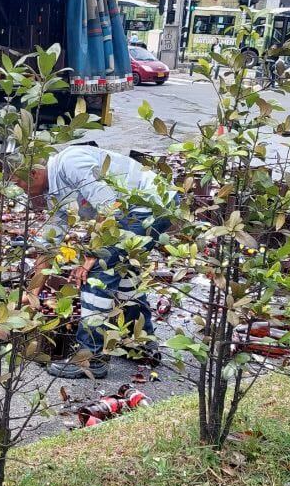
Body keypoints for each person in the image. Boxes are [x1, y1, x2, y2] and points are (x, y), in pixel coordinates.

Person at [22, 144, 175, 379]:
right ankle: (140, 343)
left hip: (149, 205)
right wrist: (32, 293)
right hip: (132, 212)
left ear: (33, 173)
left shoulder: (69, 162)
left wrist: (92, 256)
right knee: (122, 271)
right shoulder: (56, 193)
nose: (21, 191)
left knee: (98, 273)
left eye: (18, 183)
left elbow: (110, 206)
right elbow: (50, 244)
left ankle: (90, 358)